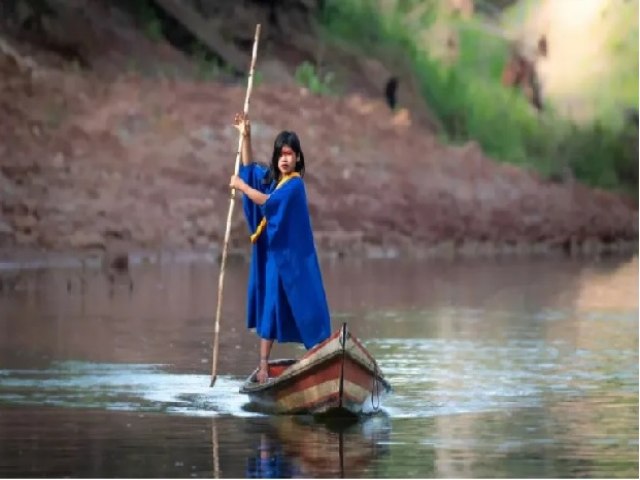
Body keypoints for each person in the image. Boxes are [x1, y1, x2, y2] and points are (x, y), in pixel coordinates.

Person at [229, 112, 332, 383]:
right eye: (281, 154)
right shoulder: (276, 180)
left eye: (290, 154)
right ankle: (263, 366)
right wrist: (246, 136)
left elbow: (266, 200)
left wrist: (239, 186)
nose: (285, 158)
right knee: (271, 307)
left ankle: (321, 356)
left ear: (298, 157)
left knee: (308, 304)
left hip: (295, 260)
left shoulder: (295, 185)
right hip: (276, 259)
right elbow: (251, 173)